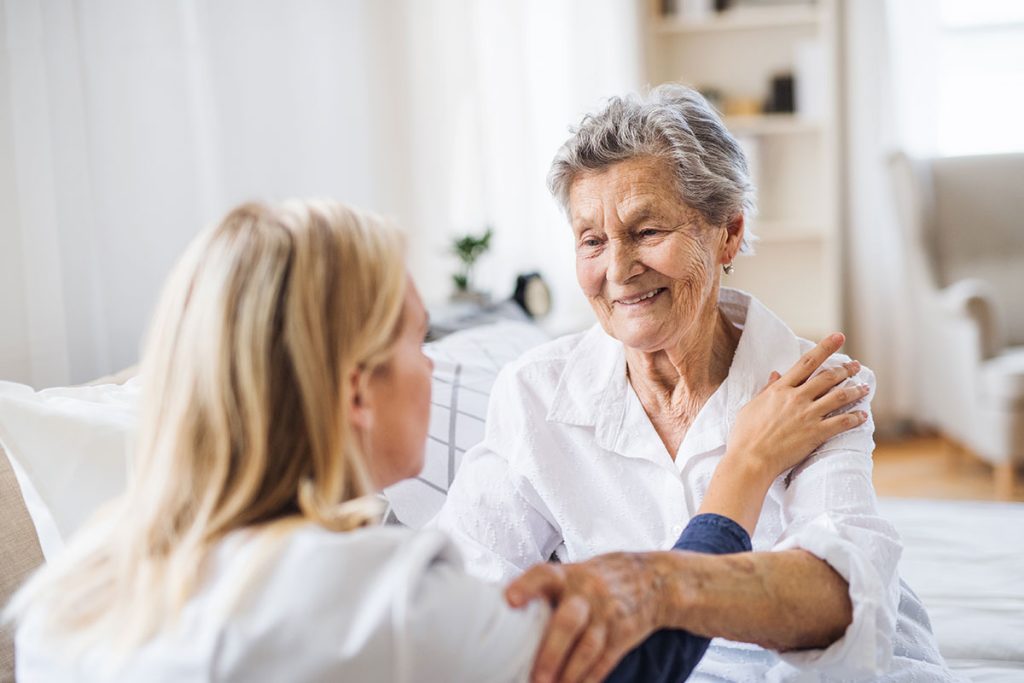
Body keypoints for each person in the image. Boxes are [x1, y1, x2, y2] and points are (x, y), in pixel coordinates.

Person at [5, 200, 865, 682]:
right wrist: (744, 470)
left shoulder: (71, 593)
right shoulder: (388, 600)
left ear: (728, 233)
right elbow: (634, 671)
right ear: (354, 391)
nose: (434, 366)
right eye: (418, 342)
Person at [434, 85, 960, 682]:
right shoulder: (534, 395)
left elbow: (838, 600)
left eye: (648, 231)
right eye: (592, 241)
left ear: (728, 232)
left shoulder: (812, 388)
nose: (619, 270)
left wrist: (654, 584)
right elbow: (465, 592)